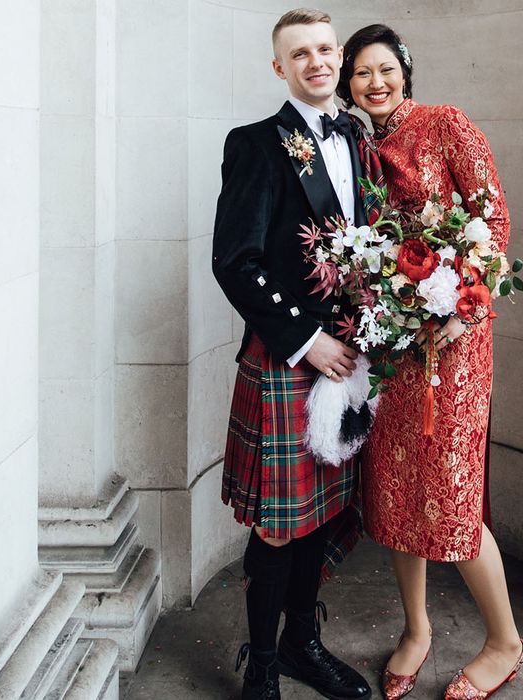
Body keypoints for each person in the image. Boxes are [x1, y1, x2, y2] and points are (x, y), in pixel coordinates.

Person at [336, 25, 523, 700]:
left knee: (451, 493)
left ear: (405, 72)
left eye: (384, 69)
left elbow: (494, 224)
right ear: (347, 83)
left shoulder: (446, 124)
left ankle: (504, 641)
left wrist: (463, 309)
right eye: (361, 73)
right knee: (393, 486)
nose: (374, 83)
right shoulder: (358, 149)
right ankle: (416, 627)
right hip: (394, 346)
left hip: (454, 345)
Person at [212, 9, 373, 700]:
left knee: (327, 512)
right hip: (290, 360)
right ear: (280, 67)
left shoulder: (358, 138)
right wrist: (309, 344)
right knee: (281, 525)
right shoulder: (256, 142)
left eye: (325, 48)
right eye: (299, 53)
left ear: (338, 56)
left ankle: (303, 643)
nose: (317, 61)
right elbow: (235, 261)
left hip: (353, 363)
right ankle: (264, 667)